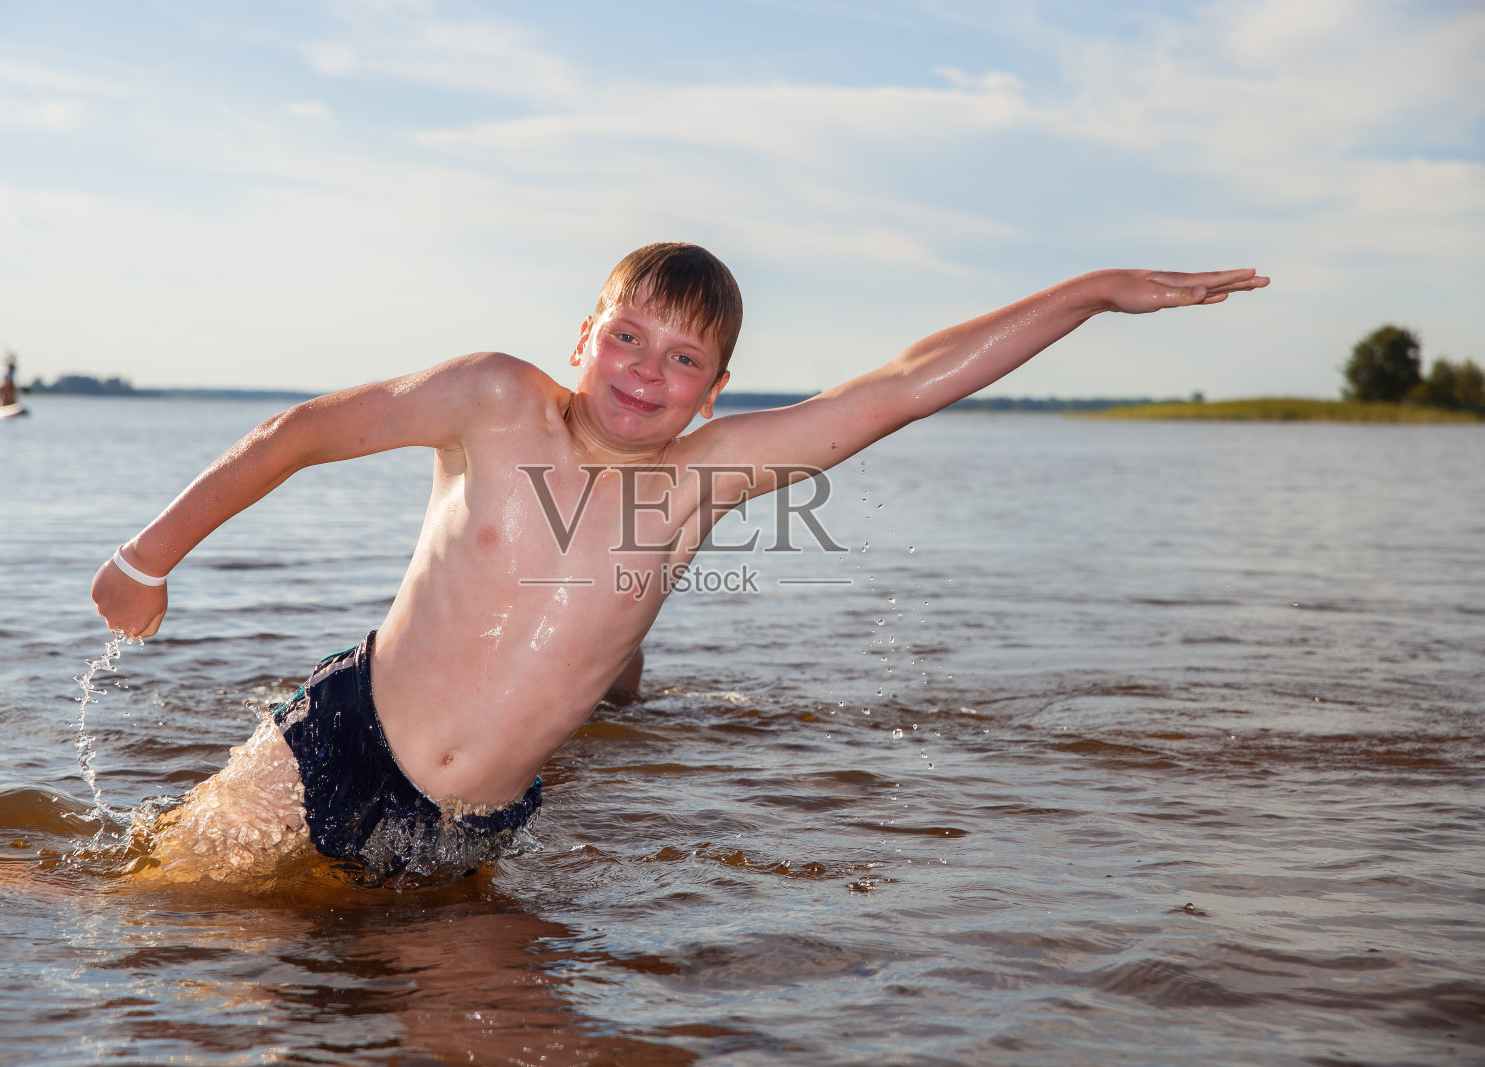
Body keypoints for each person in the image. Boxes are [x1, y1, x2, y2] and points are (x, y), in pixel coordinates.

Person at [92, 244, 1267, 885]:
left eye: (685, 357)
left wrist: (1094, 292)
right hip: (333, 747)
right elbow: (299, 430)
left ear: (716, 393)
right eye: (628, 336)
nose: (647, 369)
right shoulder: (495, 401)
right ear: (582, 339)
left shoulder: (709, 474)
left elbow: (907, 383)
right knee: (155, 941)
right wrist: (149, 556)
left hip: (468, 827)